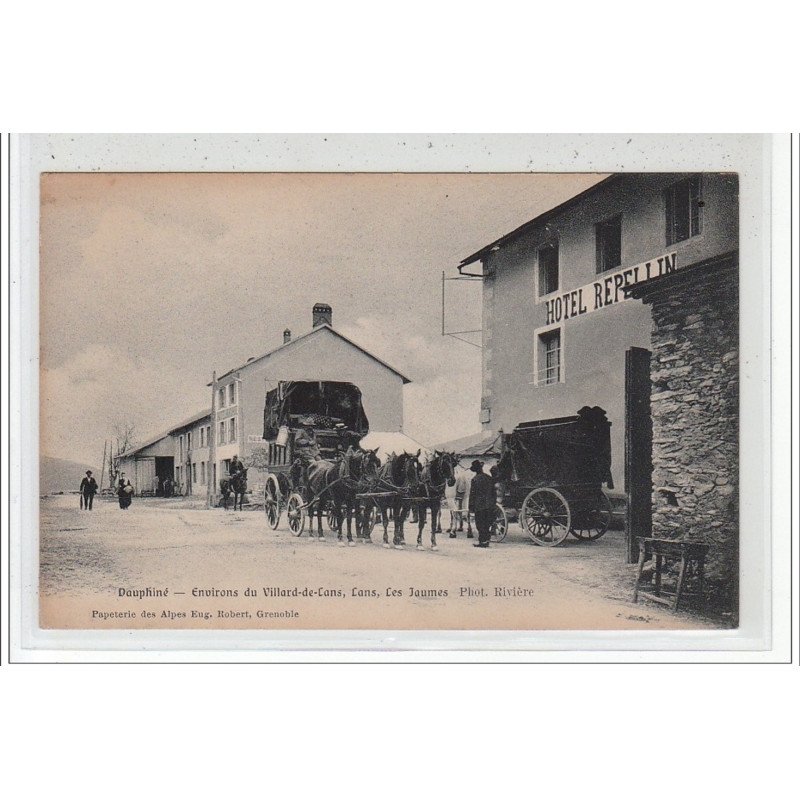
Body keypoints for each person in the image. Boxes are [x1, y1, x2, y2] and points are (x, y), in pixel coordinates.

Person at [468, 460, 495, 548]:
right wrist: (493, 503)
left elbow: (472, 494)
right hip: (489, 504)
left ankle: (482, 541)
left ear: (475, 470)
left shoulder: (474, 479)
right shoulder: (489, 477)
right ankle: (486, 540)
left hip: (479, 505)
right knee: (487, 523)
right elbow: (493, 492)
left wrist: (471, 506)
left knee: (480, 524)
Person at [449, 464, 474, 538]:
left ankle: (453, 527)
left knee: (453, 505)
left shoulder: (454, 471)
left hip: (455, 488)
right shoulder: (466, 472)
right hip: (467, 487)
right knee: (466, 505)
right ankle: (468, 527)